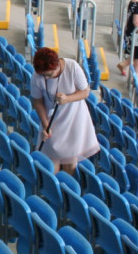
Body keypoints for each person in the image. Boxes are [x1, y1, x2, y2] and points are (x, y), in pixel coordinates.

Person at [29, 47, 100, 175]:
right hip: (52, 118)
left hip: (74, 118)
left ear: (57, 66)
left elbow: (85, 92)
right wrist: (45, 125)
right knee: (51, 161)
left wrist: (67, 98)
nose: (46, 77)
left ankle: (66, 191)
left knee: (70, 161)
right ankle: (55, 190)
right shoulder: (37, 77)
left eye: (49, 74)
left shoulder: (72, 67)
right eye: (43, 75)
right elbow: (38, 102)